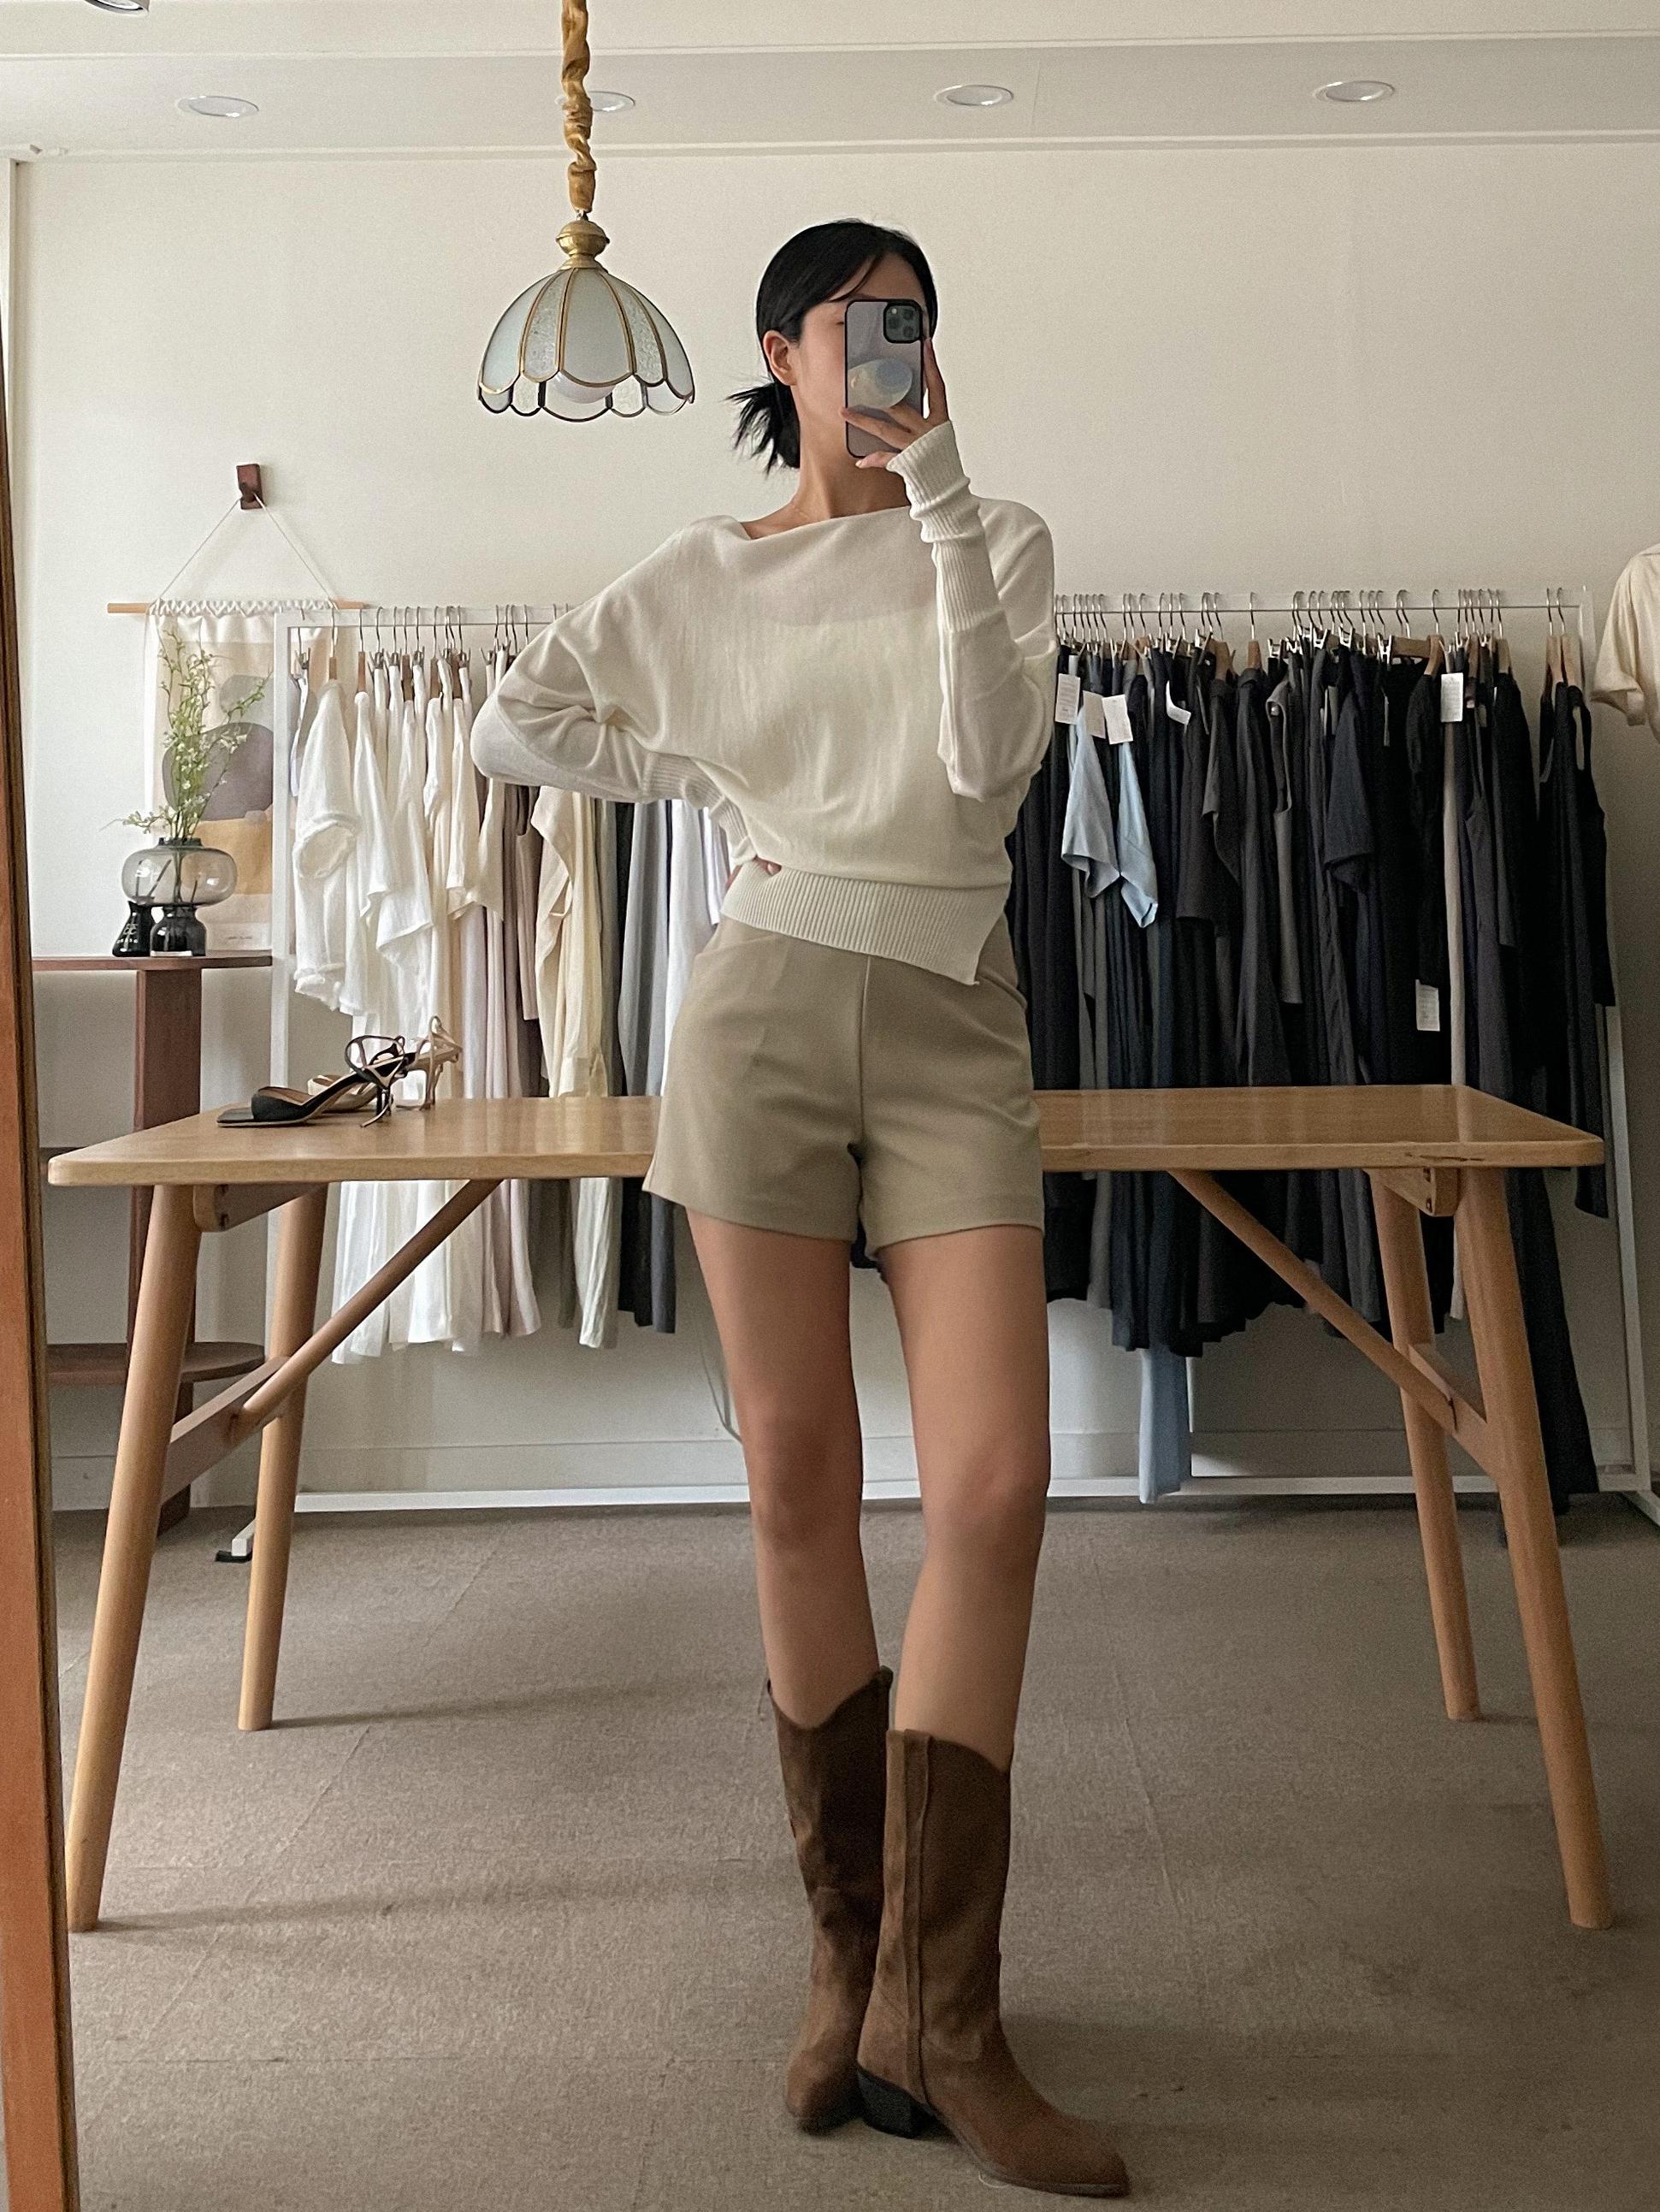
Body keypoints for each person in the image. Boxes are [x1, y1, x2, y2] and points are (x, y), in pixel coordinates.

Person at [471, 218, 1128, 2199]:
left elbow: (983, 765)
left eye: (916, 322)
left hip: (950, 1016)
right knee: (793, 1482)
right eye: (860, 324)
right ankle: (852, 1964)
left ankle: (948, 2009)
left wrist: (937, 487)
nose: (893, 349)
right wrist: (706, 771)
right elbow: (515, 721)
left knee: (993, 1483)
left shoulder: (992, 539)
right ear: (783, 349)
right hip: (755, 1008)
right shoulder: (699, 573)